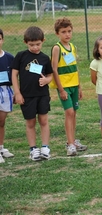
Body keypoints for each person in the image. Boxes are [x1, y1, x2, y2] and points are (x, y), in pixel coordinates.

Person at [11, 26, 53, 161]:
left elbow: (50, 75)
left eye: (38, 44)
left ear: (43, 41)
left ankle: (45, 147)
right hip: (27, 96)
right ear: (25, 43)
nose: (35, 47)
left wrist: (46, 80)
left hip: (42, 95)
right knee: (30, 122)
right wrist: (17, 93)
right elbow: (14, 74)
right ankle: (33, 149)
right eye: (31, 45)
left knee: (44, 120)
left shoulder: (45, 58)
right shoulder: (20, 56)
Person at [50, 17, 87, 156]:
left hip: (74, 86)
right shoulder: (56, 48)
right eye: (64, 32)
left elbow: (75, 68)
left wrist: (80, 87)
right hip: (64, 87)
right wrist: (61, 89)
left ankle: (72, 141)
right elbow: (54, 69)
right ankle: (70, 145)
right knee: (69, 113)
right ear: (57, 34)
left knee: (74, 113)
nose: (67, 34)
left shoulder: (72, 47)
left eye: (69, 31)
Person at [0, 29, 15, 163]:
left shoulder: (9, 57)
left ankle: (1, 147)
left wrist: (16, 91)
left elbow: (15, 76)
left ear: (2, 40)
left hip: (5, 91)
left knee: (2, 121)